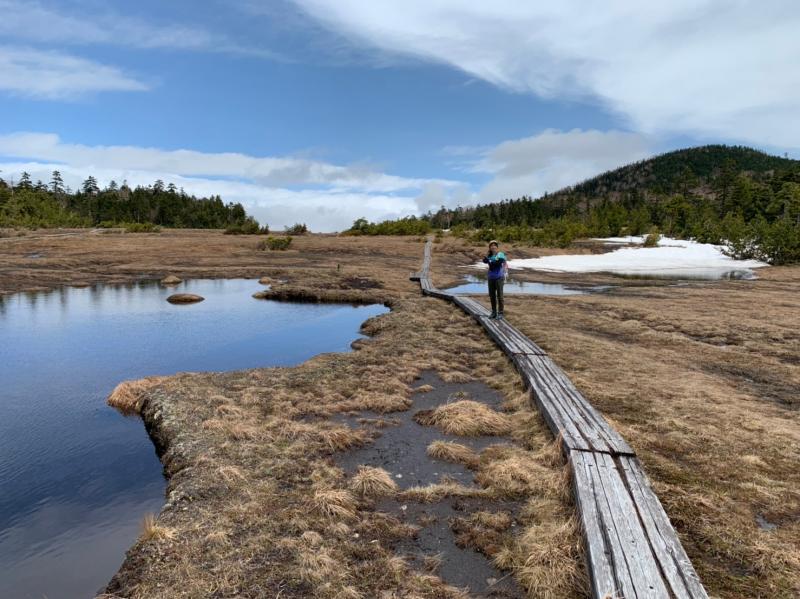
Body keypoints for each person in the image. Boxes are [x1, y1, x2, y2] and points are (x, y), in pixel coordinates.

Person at [482, 240, 507, 319]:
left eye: (494, 245)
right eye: (491, 245)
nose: (493, 247)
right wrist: (486, 259)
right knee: (492, 296)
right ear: (489, 247)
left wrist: (490, 260)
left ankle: (500, 313)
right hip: (491, 277)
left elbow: (499, 262)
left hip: (499, 277)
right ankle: (493, 312)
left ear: (497, 247)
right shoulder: (489, 255)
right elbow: (485, 261)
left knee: (500, 296)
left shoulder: (500, 254)